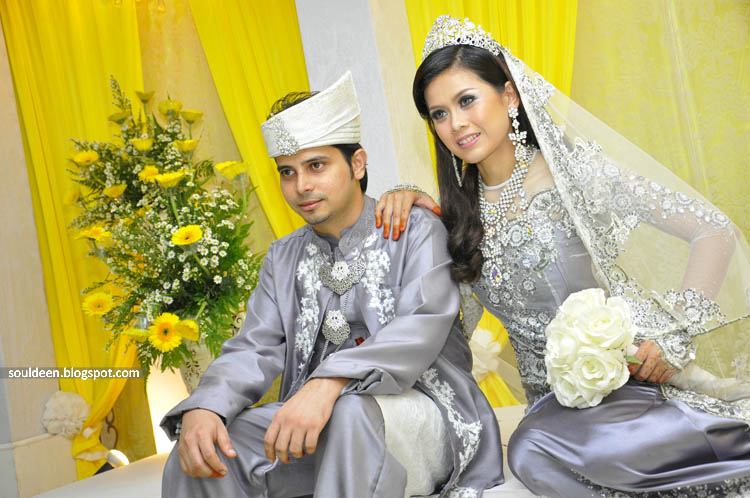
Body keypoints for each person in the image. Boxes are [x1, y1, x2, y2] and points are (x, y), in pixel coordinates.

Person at [377, 15, 750, 497]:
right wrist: (412, 219)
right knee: (530, 448)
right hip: (553, 415)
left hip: (630, 385)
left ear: (509, 96)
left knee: (531, 449)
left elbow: (713, 229)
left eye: (467, 100)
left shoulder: (575, 177)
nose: (457, 123)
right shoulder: (456, 220)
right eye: (439, 114)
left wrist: (670, 333)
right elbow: (444, 332)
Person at [160, 71, 504, 498]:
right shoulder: (283, 257)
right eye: (287, 172)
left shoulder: (415, 229)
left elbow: (420, 326)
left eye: (316, 166)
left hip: (425, 414)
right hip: (319, 418)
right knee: (203, 444)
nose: (301, 186)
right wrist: (206, 404)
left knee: (350, 413)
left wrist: (330, 381)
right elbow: (254, 347)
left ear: (357, 164)